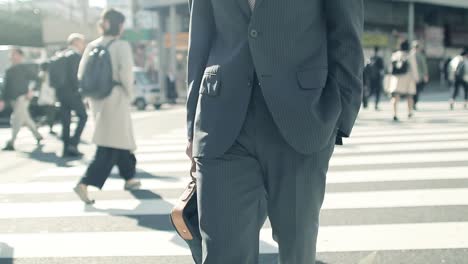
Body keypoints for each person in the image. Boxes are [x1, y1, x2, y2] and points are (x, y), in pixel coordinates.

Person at [185, 1, 364, 263]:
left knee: (296, 248)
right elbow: (199, 39)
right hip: (221, 121)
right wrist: (192, 127)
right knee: (223, 253)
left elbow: (347, 38)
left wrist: (338, 118)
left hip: (302, 118)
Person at [73, 9, 141, 204]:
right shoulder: (120, 45)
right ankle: (85, 182)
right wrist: (129, 94)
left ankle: (130, 177)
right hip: (116, 96)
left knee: (118, 139)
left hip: (97, 99)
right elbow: (126, 74)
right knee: (110, 144)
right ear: (119, 25)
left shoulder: (92, 46)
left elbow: (81, 75)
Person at [2, 48, 43, 151]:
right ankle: (37, 135)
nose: (12, 56)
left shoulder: (24, 68)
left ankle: (11, 142)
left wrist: (32, 90)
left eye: (15, 54)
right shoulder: (9, 70)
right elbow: (5, 87)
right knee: (25, 118)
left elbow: (38, 79)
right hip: (12, 99)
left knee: (16, 118)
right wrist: (2, 100)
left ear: (21, 56)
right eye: (12, 54)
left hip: (23, 97)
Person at [55, 33, 88, 157]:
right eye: (82, 42)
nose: (83, 45)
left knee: (66, 121)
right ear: (76, 42)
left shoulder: (61, 54)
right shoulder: (75, 56)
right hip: (72, 93)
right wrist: (80, 92)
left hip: (60, 93)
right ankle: (73, 144)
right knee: (83, 116)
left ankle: (65, 149)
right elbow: (76, 76)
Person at [388, 40, 420, 121]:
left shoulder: (395, 55)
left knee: (395, 97)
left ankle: (394, 114)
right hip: (407, 78)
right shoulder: (409, 55)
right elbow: (414, 67)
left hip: (396, 79)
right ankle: (409, 112)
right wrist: (416, 78)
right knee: (409, 96)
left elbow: (390, 68)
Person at [37, 62, 57, 135]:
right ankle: (47, 127)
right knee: (51, 114)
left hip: (44, 96)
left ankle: (40, 125)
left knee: (48, 114)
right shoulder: (48, 75)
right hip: (49, 96)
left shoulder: (41, 74)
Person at [411, 41, 429, 110]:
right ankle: (414, 103)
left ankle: (412, 103)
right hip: (419, 76)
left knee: (412, 90)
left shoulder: (410, 54)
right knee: (417, 91)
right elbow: (424, 66)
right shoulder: (420, 55)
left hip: (411, 76)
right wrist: (426, 75)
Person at [366, 46, 385, 110]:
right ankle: (376, 105)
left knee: (371, 91)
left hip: (371, 78)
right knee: (377, 92)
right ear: (378, 51)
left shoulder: (371, 58)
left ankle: (366, 102)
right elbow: (382, 70)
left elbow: (367, 68)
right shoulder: (379, 59)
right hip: (378, 78)